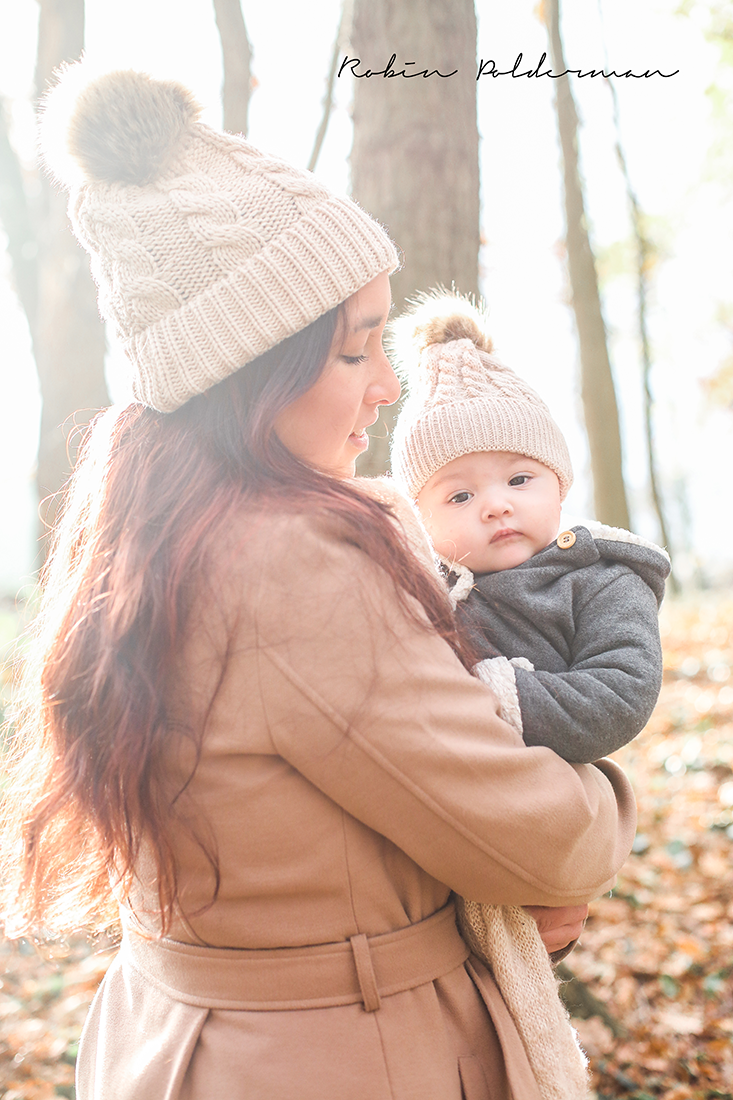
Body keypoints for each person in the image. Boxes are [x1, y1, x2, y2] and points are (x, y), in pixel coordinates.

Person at [0, 64, 636, 1100]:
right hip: (342, 1053)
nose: (386, 385)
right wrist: (604, 788)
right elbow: (544, 838)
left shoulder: (144, 528)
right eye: (352, 350)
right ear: (250, 371)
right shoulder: (289, 563)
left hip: (175, 1037)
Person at [391, 291, 671, 764]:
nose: (496, 506)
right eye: (460, 496)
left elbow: (621, 692)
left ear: (559, 486)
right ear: (422, 519)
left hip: (552, 799)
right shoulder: (422, 595)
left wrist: (494, 694)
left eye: (519, 480)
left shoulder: (604, 580)